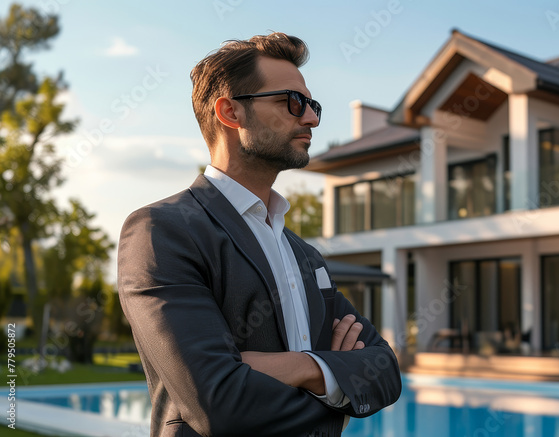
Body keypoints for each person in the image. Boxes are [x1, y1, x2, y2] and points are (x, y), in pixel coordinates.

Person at [117, 32, 401, 437]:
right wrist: (337, 385)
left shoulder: (306, 255)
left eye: (312, 104)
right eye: (293, 101)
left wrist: (302, 366)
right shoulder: (162, 231)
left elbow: (384, 370)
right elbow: (220, 404)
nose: (312, 119)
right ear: (230, 112)